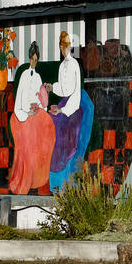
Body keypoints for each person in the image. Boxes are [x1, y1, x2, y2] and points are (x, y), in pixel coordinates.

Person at [9, 42, 55, 194]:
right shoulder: (23, 75)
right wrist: (26, 113)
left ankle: (39, 176)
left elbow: (41, 98)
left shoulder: (38, 76)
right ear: (29, 58)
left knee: (47, 124)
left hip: (36, 111)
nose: (34, 62)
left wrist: (40, 106)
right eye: (32, 59)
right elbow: (19, 101)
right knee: (29, 133)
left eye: (36, 59)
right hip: (22, 113)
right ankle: (25, 177)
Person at [48, 31, 91, 189]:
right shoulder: (62, 65)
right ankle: (55, 183)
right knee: (50, 122)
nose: (63, 49)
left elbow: (74, 92)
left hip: (74, 107)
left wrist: (63, 111)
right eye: (61, 47)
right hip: (65, 103)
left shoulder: (73, 65)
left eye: (66, 46)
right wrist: (52, 87)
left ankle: (66, 182)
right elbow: (63, 89)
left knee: (63, 135)